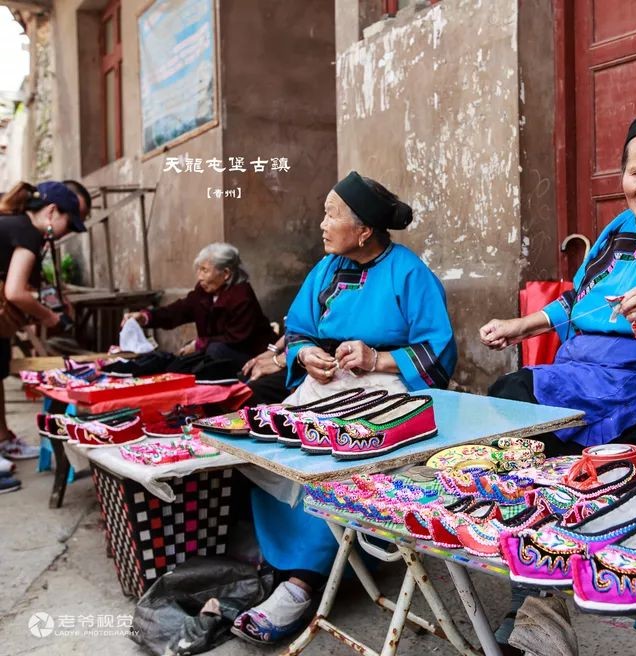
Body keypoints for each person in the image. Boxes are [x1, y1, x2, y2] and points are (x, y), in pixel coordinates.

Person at [232, 171, 456, 645]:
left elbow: (439, 355)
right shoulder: (327, 270)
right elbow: (299, 331)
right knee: (273, 443)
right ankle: (282, 558)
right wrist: (304, 355)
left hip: (389, 391)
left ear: (364, 231)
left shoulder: (409, 273)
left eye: (332, 214)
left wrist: (378, 358)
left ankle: (302, 582)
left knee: (334, 459)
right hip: (327, 383)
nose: (322, 223)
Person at [481, 111, 636, 457]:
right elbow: (581, 298)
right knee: (506, 400)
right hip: (581, 371)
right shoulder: (617, 228)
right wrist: (521, 327)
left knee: (520, 410)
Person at [0, 181, 84, 491]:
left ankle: (3, 441)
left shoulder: (15, 224)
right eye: (68, 223)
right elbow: (15, 291)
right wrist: (50, 317)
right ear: (51, 212)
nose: (66, 232)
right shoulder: (28, 232)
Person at [122, 243, 276, 372]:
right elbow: (179, 310)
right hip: (218, 349)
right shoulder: (204, 292)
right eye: (199, 270)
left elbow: (236, 338)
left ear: (226, 273)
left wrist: (198, 344)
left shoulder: (242, 296)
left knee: (213, 351)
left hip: (251, 354)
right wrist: (145, 317)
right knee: (183, 358)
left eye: (205, 270)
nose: (199, 277)